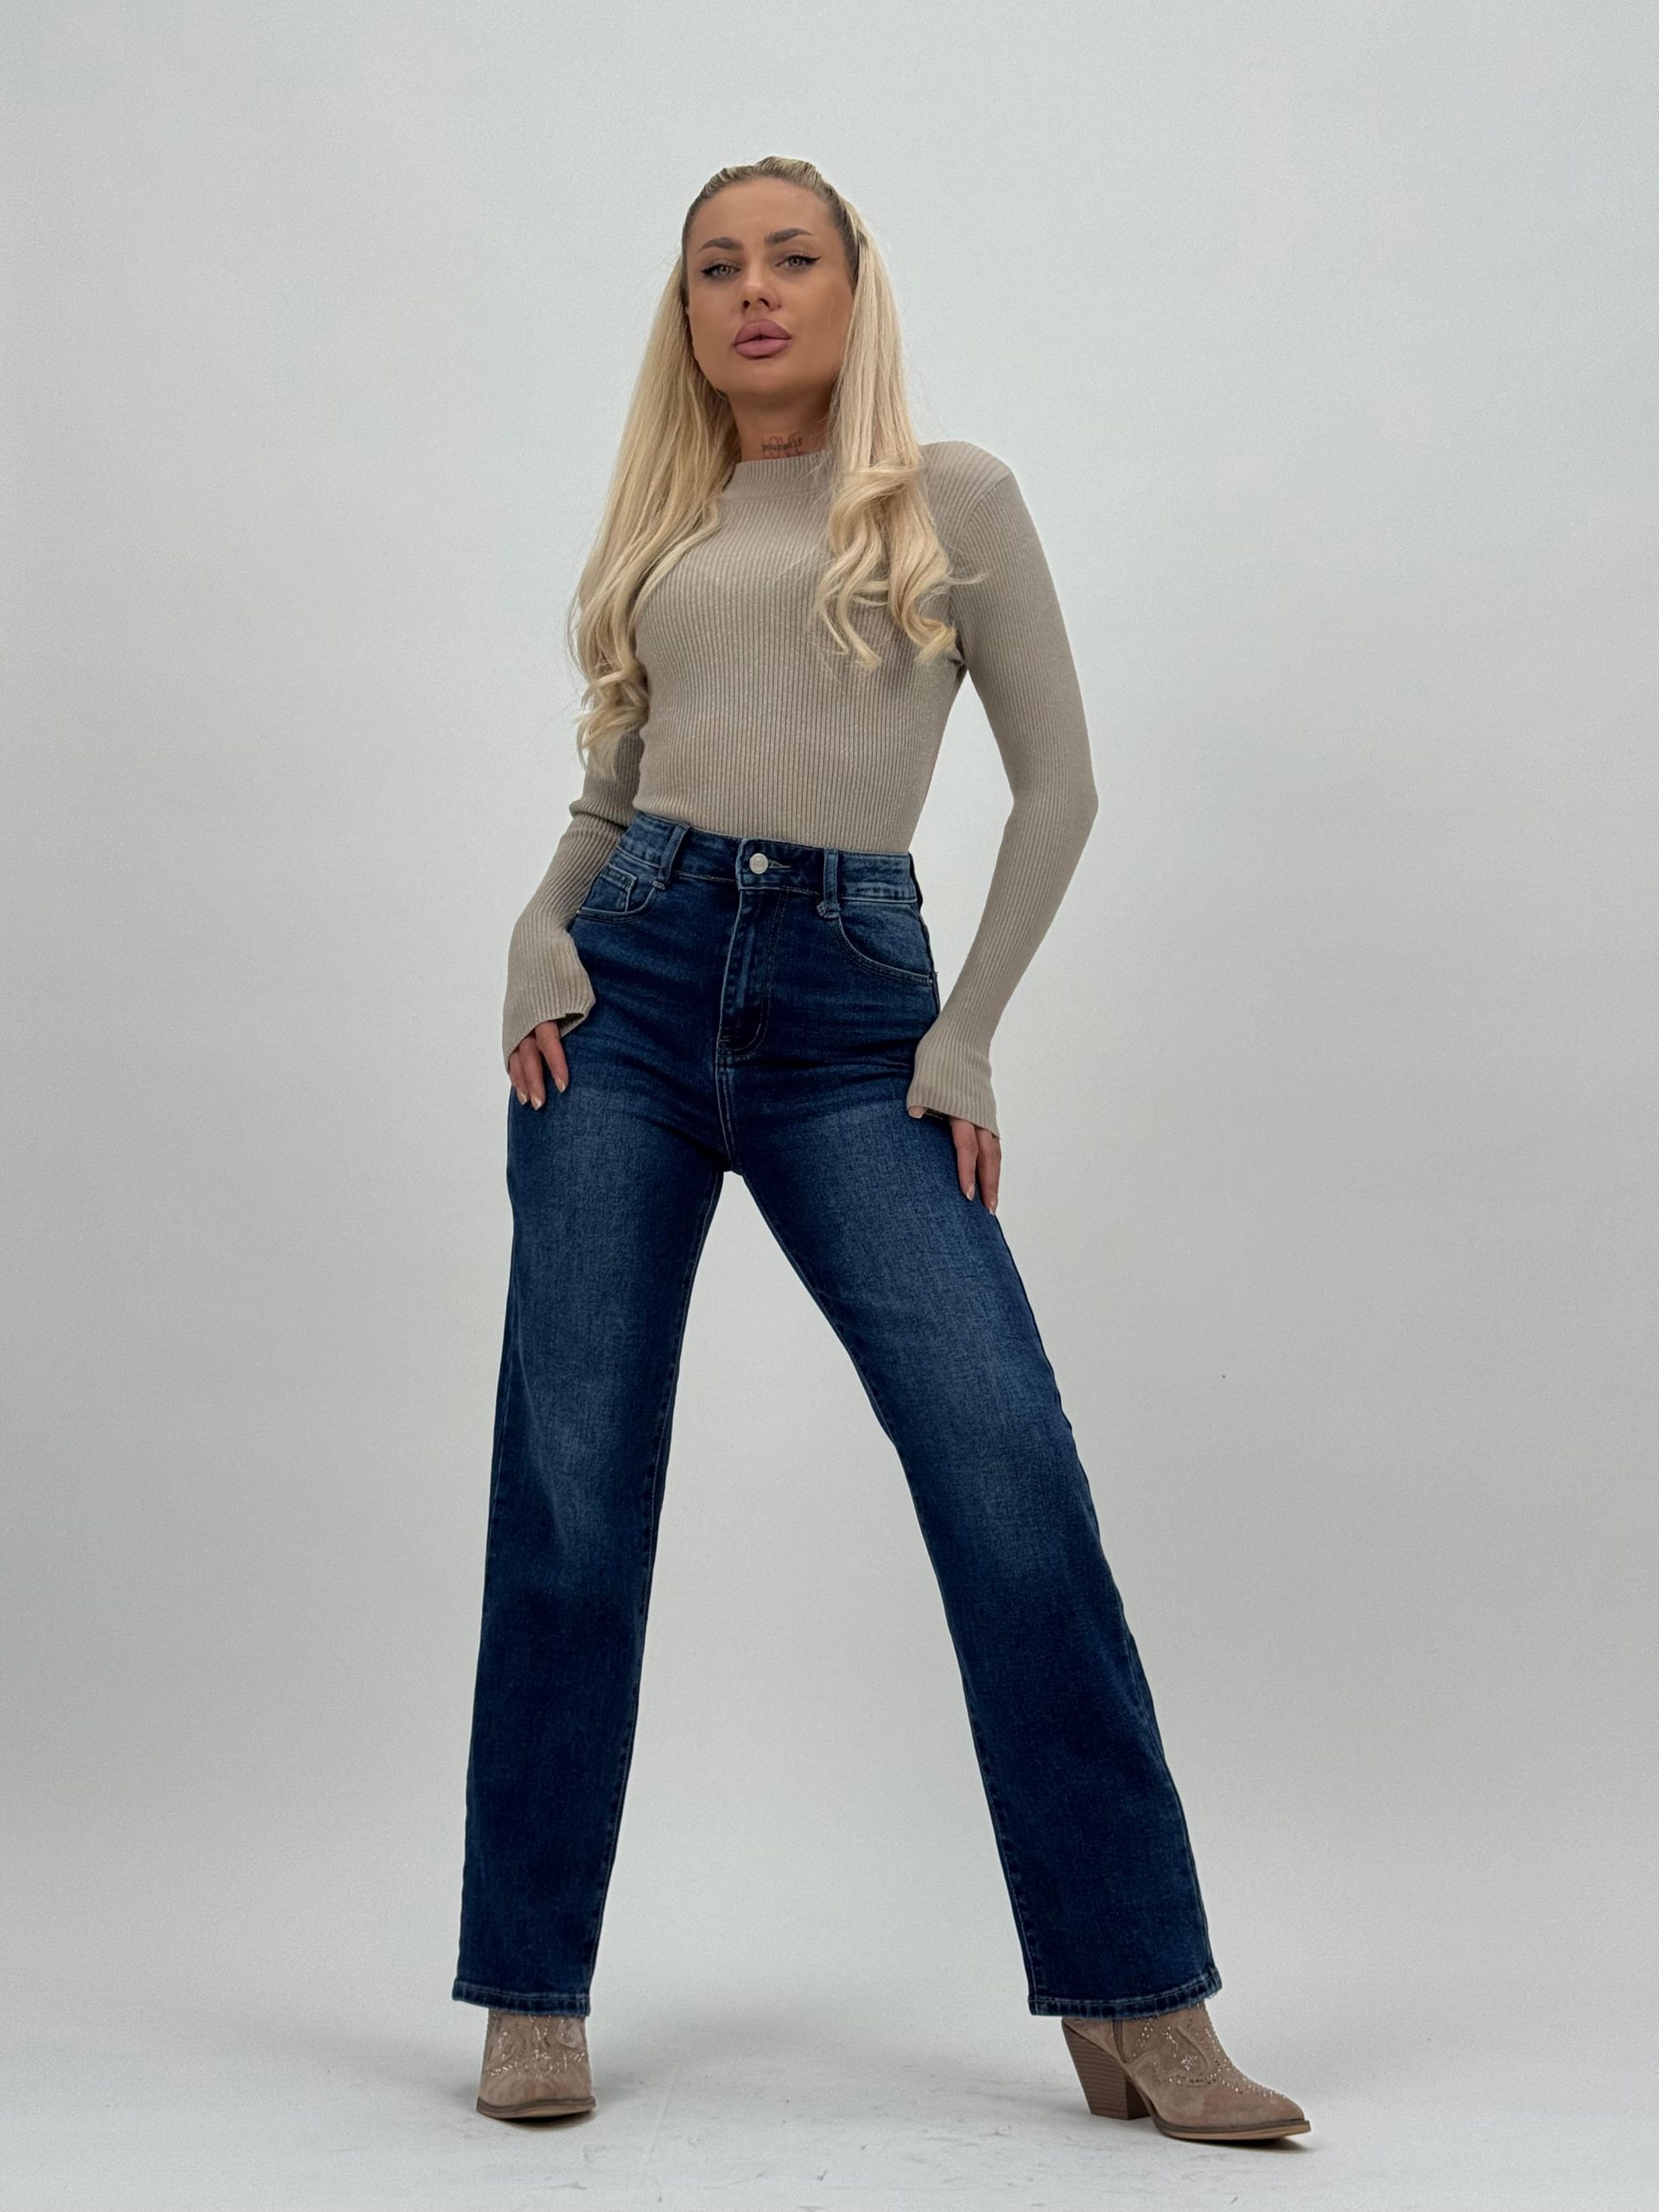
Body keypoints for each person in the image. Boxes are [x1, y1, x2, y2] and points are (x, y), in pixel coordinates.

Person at [453, 155, 1309, 2148]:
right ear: (687, 312)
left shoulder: (950, 497)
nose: (753, 290)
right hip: (623, 991)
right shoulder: (667, 522)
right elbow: (612, 787)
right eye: (716, 267)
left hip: (854, 1011)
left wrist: (969, 1031)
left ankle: (1140, 1991)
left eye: (792, 257)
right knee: (572, 1480)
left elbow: (1059, 786)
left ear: (854, 287)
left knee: (1004, 1461)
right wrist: (535, 928)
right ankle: (530, 1982)